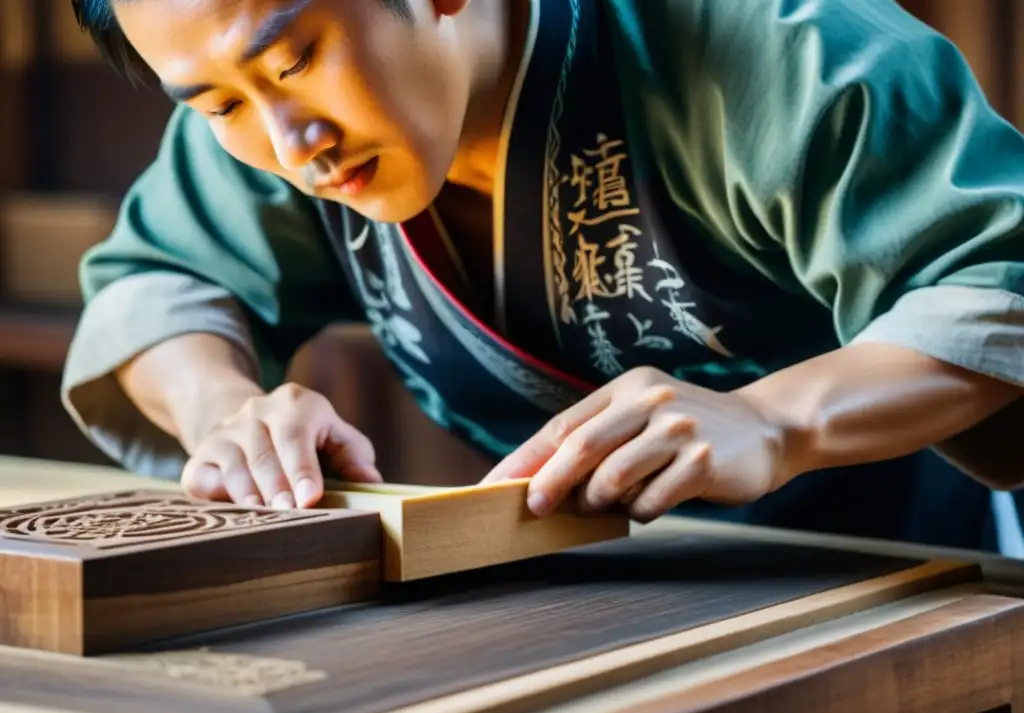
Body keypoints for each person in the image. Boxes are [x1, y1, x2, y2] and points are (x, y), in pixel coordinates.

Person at [63, 0, 1023, 550]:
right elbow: (158, 284)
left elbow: (998, 280)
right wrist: (225, 417)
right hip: (595, 605)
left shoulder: (781, 44)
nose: (290, 140)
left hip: (907, 567)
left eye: (296, 58)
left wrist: (778, 419)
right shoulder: (269, 137)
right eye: (221, 103)